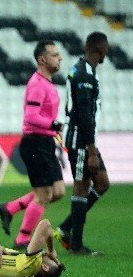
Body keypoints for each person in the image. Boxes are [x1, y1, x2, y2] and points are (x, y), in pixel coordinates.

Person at [0, 41, 66, 248]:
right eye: (54, 55)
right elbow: (31, 116)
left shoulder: (47, 83)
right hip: (35, 143)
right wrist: (53, 124)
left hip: (45, 142)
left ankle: (10, 208)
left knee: (58, 191)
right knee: (44, 194)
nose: (59, 58)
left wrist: (52, 130)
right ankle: (23, 239)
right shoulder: (36, 84)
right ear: (42, 59)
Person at [55, 32, 110, 256]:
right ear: (100, 48)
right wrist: (91, 151)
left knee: (102, 183)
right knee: (81, 185)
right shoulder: (84, 74)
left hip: (83, 139)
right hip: (80, 139)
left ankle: (66, 228)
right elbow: (84, 114)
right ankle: (76, 245)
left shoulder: (81, 69)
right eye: (106, 48)